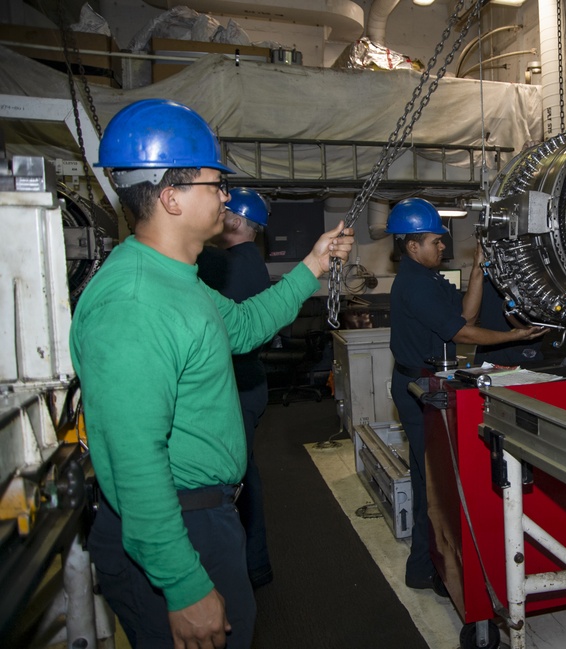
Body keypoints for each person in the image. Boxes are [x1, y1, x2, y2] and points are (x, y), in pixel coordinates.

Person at [70, 98, 354, 649]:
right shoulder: (135, 303)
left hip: (202, 516)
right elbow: (134, 459)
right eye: (215, 183)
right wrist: (182, 585)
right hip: (176, 526)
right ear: (171, 197)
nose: (225, 196)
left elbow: (244, 326)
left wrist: (313, 264)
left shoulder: (179, 280)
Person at [386, 197, 545, 593]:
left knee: (438, 476)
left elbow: (466, 317)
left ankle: (431, 563)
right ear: (412, 246)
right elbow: (461, 334)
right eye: (436, 241)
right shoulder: (415, 286)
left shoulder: (426, 280)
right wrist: (514, 336)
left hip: (428, 383)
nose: (442, 246)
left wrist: (477, 271)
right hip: (417, 387)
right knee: (432, 481)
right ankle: (427, 566)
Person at [196, 187, 274, 589]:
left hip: (240, 388)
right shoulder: (244, 261)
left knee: (240, 479)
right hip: (247, 385)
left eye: (226, 212)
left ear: (239, 223)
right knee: (244, 472)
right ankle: (250, 562)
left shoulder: (235, 265)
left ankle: (253, 564)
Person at [473, 276, 545, 366]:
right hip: (488, 356)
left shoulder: (536, 274)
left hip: (521, 357)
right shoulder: (486, 273)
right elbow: (468, 319)